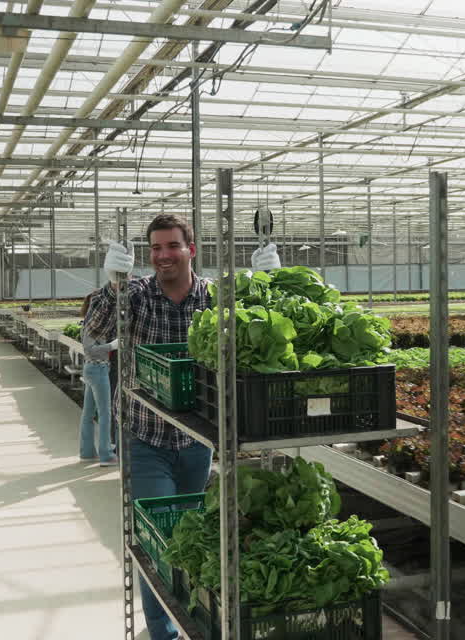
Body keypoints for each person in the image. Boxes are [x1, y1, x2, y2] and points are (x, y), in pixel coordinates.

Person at [82, 213, 280, 640]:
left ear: (191, 249)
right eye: (155, 248)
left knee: (190, 537)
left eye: (172, 246)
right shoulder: (136, 294)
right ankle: (163, 634)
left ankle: (196, 619)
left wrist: (270, 287)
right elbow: (94, 334)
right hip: (144, 437)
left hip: (196, 439)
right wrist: (113, 285)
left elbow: (262, 333)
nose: (163, 255)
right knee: (159, 541)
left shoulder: (214, 297)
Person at [78, 290, 117, 467]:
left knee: (88, 413)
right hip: (98, 369)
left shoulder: (92, 323)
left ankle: (87, 452)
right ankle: (106, 455)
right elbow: (90, 349)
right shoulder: (91, 326)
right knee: (105, 413)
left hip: (92, 369)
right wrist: (113, 345)